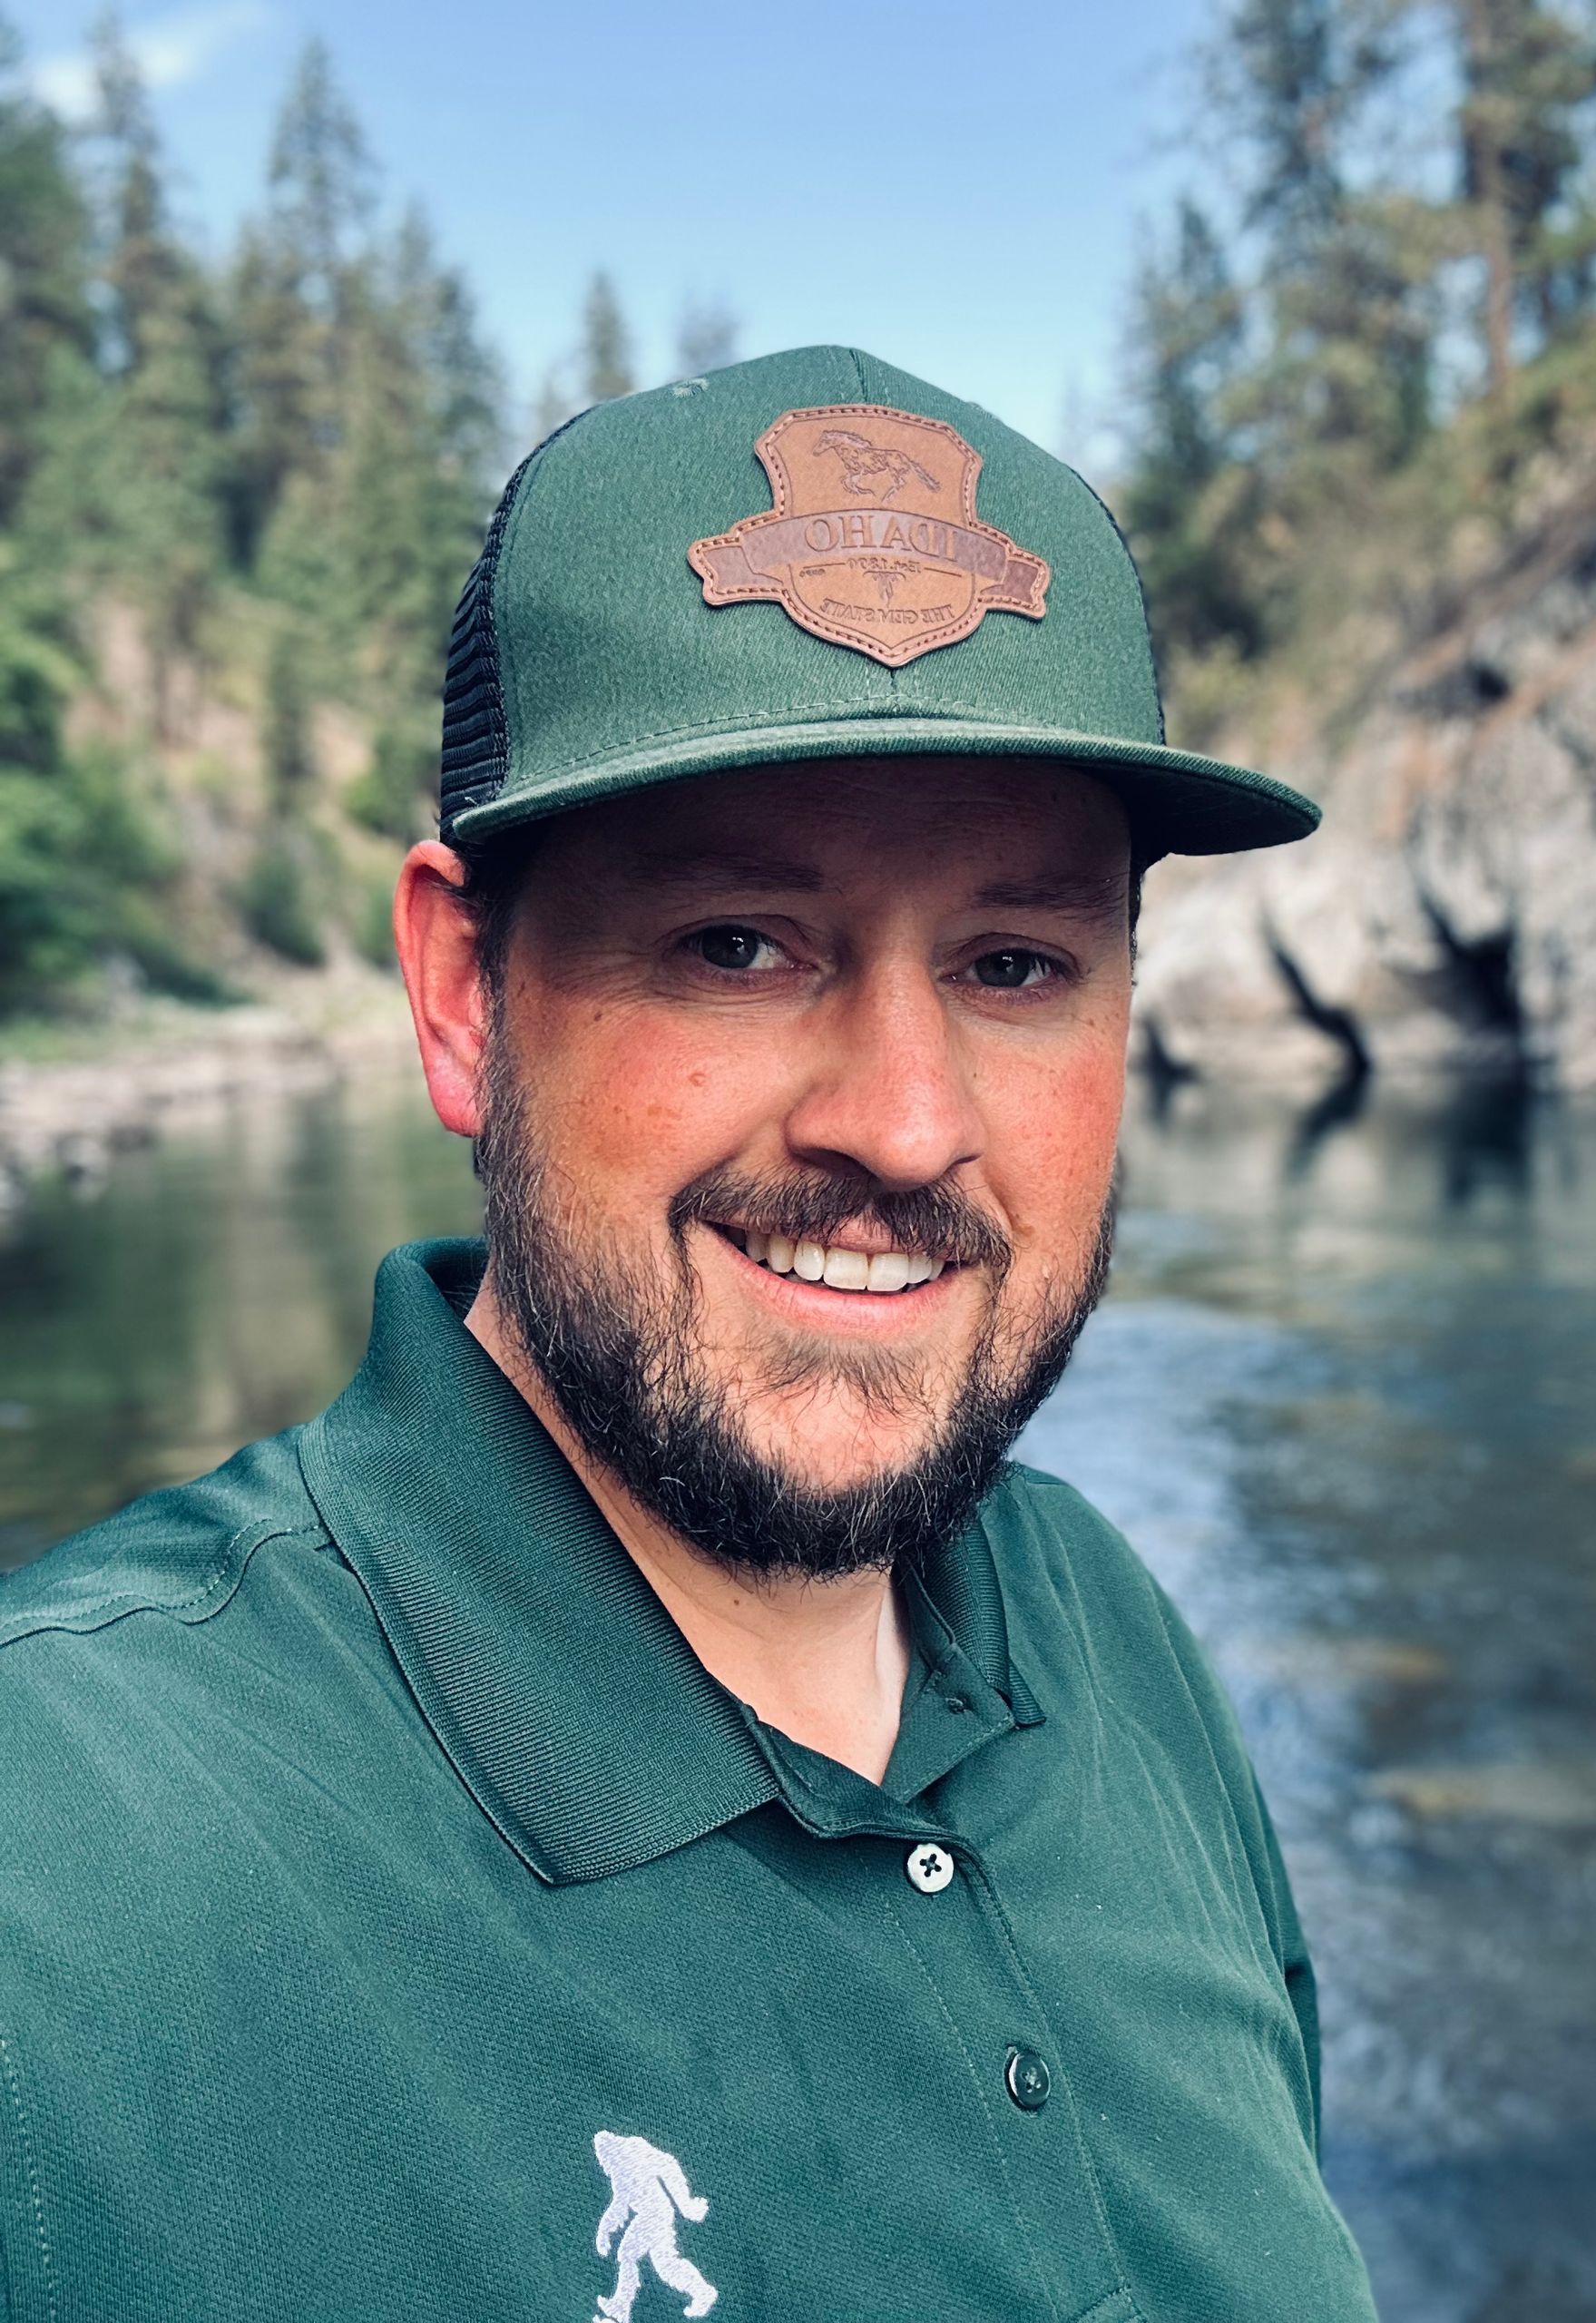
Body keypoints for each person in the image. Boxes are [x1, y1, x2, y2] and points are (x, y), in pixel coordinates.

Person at [0, 347, 1379, 2322]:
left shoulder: (1107, 1630)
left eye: (1015, 963)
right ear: (464, 994)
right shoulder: (61, 1885)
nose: (901, 1120)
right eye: (739, 941)